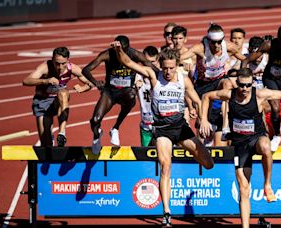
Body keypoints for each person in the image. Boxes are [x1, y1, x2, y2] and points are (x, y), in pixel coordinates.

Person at [113, 43, 214, 227]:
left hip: (181, 128)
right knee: (165, 166)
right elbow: (127, 62)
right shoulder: (154, 76)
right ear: (160, 65)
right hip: (162, 130)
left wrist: (203, 119)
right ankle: (166, 212)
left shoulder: (184, 80)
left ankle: (191, 151)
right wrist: (118, 50)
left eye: (171, 68)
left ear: (177, 66)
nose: (167, 72)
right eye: (165, 68)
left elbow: (198, 102)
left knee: (208, 164)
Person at [200, 68, 281, 228]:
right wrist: (204, 119)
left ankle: (267, 185)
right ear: (236, 83)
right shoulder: (229, 95)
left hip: (256, 138)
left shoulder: (259, 94)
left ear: (252, 84)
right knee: (243, 189)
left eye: (248, 85)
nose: (245, 89)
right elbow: (206, 96)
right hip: (240, 144)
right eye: (242, 85)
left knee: (266, 146)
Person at [82, 35, 158, 154]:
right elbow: (86, 69)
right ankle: (97, 136)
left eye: (125, 50)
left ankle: (116, 127)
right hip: (110, 92)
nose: (122, 53)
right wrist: (95, 82)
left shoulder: (135, 54)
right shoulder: (107, 54)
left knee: (132, 95)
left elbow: (151, 67)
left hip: (126, 92)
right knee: (95, 120)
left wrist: (166, 77)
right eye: (120, 50)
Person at [242, 25, 281, 152]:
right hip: (271, 79)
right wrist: (243, 75)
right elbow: (247, 60)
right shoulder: (269, 45)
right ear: (277, 39)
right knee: (275, 109)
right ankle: (277, 135)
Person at [23, 47, 94, 146]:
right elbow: (26, 81)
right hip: (43, 102)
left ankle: (62, 133)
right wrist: (45, 80)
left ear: (68, 60)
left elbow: (90, 82)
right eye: (57, 63)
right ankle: (50, 139)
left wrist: (83, 88)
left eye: (63, 63)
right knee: (46, 143)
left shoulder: (72, 68)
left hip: (58, 100)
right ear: (52, 59)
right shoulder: (45, 67)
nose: (60, 67)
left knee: (63, 93)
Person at [135, 46, 160, 146]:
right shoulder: (137, 76)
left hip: (161, 126)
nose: (149, 65)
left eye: (153, 62)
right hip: (146, 125)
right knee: (146, 157)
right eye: (146, 61)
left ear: (158, 60)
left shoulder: (164, 76)